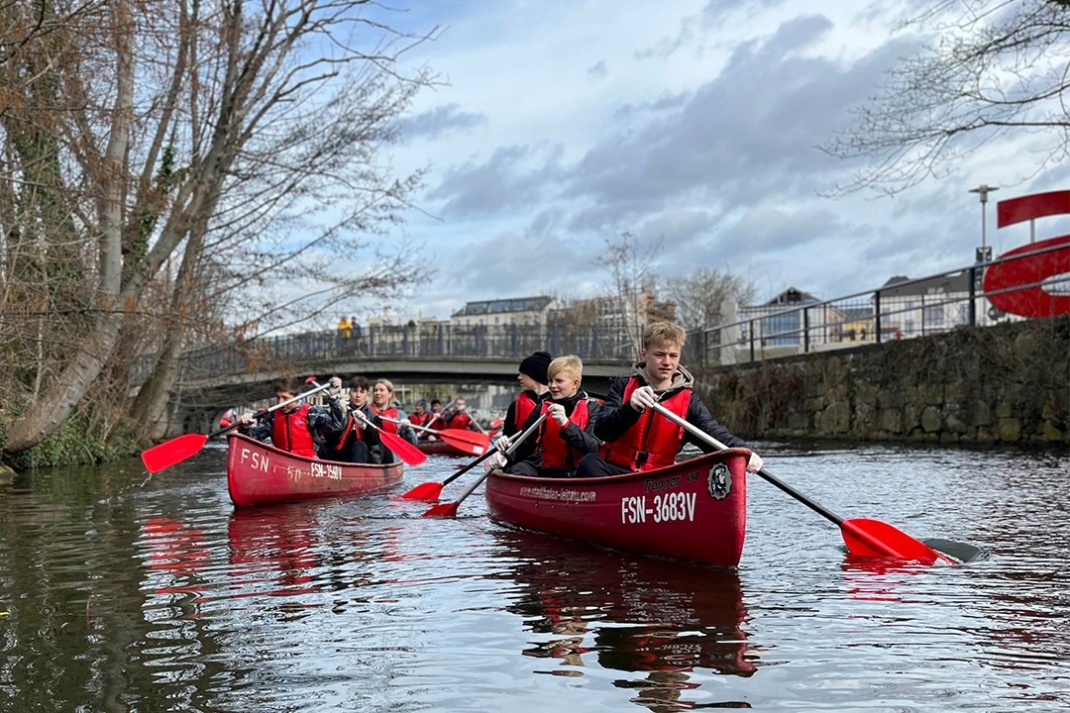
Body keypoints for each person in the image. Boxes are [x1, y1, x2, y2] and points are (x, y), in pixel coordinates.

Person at [575, 322, 765, 477]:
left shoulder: (689, 401)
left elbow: (712, 433)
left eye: (673, 356)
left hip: (659, 478)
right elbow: (602, 430)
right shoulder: (622, 387)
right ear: (644, 355)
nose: (667, 362)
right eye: (659, 355)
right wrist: (630, 408)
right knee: (588, 463)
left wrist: (742, 452)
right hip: (615, 470)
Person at [487, 355, 600, 478]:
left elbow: (593, 447)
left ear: (575, 383)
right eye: (550, 380)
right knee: (519, 468)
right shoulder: (542, 407)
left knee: (592, 467)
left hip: (577, 472)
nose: (552, 386)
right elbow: (525, 444)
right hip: (545, 468)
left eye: (559, 381)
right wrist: (505, 453)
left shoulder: (592, 408)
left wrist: (566, 424)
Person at [239, 377, 344, 459]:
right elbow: (251, 440)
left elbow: (336, 428)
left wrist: (333, 399)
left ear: (297, 396)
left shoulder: (312, 412)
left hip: (308, 463)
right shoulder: (273, 417)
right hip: (282, 463)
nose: (280, 403)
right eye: (278, 397)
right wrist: (245, 428)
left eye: (285, 398)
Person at [318, 375, 386, 464]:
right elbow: (330, 437)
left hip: (363, 457)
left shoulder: (374, 416)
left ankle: (357, 474)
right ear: (349, 393)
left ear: (367, 395)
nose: (358, 395)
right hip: (339, 454)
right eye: (354, 391)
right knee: (319, 445)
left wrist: (363, 426)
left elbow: (375, 440)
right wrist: (334, 400)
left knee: (359, 445)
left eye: (362, 392)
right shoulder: (340, 409)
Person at [503, 350, 551, 438]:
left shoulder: (559, 403)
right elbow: (507, 434)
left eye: (523, 373)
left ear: (536, 375)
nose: (519, 377)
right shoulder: (515, 406)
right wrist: (504, 440)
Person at [371, 378, 417, 449]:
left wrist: (408, 429)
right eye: (375, 390)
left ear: (390, 394)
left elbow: (415, 442)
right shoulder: (367, 412)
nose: (378, 393)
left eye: (381, 390)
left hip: (392, 450)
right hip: (373, 450)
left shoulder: (400, 414)